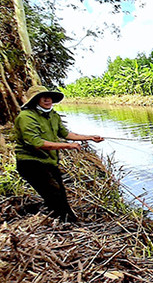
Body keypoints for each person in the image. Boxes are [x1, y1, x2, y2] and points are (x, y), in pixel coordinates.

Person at [13, 85, 104, 222]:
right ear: (35, 101)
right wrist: (68, 146)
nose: (47, 100)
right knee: (54, 193)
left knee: (60, 192)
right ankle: (69, 222)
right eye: (42, 97)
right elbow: (37, 143)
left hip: (49, 161)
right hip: (30, 162)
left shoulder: (53, 115)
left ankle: (59, 218)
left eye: (49, 97)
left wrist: (90, 137)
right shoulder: (26, 117)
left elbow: (65, 133)